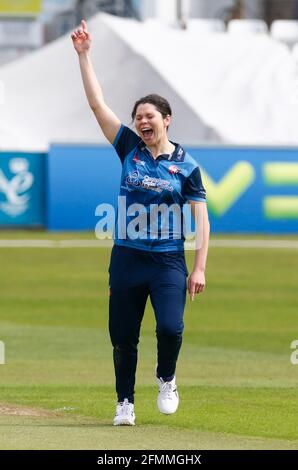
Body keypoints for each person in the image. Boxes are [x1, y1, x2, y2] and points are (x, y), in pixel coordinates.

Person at [71, 19, 210, 426]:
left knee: (170, 327)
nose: (141, 122)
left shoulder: (188, 167)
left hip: (168, 260)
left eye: (149, 115)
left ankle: (166, 377)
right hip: (127, 258)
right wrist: (84, 55)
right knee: (123, 337)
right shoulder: (129, 147)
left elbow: (202, 220)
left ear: (167, 120)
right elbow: (98, 105)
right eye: (137, 117)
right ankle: (124, 403)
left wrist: (199, 266)